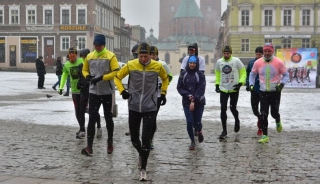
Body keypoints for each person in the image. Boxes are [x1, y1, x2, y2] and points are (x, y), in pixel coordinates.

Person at [114, 42, 169, 181]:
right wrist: (122, 91)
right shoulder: (131, 64)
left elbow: (165, 78)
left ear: (150, 55)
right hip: (134, 106)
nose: (143, 59)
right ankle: (141, 154)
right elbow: (117, 77)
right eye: (141, 56)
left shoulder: (157, 66)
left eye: (145, 56)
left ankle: (143, 168)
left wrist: (163, 93)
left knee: (146, 139)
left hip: (150, 106)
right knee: (134, 138)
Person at [81, 34, 120, 156]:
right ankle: (89, 146)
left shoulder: (110, 56)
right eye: (95, 45)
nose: (97, 47)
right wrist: (87, 76)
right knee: (92, 118)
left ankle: (110, 141)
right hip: (93, 92)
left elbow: (115, 71)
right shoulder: (90, 56)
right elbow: (84, 69)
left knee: (108, 117)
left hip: (107, 92)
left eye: (99, 45)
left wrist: (102, 78)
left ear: (104, 45)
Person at [249, 43, 289, 143]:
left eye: (269, 51)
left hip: (275, 92)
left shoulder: (279, 62)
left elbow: (286, 74)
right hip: (263, 92)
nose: (267, 53)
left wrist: (282, 84)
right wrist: (251, 84)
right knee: (263, 114)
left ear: (272, 51)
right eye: (265, 51)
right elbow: (252, 74)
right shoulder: (258, 62)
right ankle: (265, 135)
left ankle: (278, 119)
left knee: (274, 113)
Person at [215, 45, 246, 139]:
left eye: (228, 53)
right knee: (223, 109)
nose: (226, 55)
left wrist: (240, 83)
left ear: (231, 53)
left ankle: (237, 120)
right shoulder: (219, 62)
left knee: (233, 108)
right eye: (224, 53)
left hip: (234, 88)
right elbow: (217, 74)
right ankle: (224, 131)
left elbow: (243, 72)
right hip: (224, 89)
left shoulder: (236, 61)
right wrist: (217, 85)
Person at [177, 56, 205, 150]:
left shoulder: (200, 75)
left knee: (197, 122)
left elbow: (201, 89)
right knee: (189, 122)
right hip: (186, 101)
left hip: (199, 102)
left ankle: (199, 130)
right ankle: (192, 141)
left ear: (196, 64)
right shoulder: (183, 74)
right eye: (190, 63)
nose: (192, 65)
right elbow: (179, 87)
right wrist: (188, 95)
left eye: (194, 63)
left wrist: (194, 99)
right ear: (188, 63)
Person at [149, 45, 173, 149]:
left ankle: (150, 139)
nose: (152, 56)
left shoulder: (162, 64)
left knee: (152, 117)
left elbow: (169, 77)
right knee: (147, 117)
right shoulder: (146, 64)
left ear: (157, 55)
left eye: (154, 54)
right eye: (150, 54)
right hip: (147, 95)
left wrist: (163, 88)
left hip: (158, 95)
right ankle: (147, 136)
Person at [58, 48, 84, 138]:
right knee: (77, 111)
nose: (72, 58)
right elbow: (64, 76)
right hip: (74, 90)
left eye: (73, 56)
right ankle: (82, 128)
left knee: (85, 110)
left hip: (84, 90)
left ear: (76, 55)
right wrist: (61, 87)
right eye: (70, 56)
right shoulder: (67, 65)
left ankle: (97, 121)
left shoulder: (82, 61)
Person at [77, 49, 102, 138]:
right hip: (83, 90)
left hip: (92, 90)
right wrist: (79, 83)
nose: (84, 58)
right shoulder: (80, 66)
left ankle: (98, 127)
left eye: (85, 56)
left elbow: (95, 77)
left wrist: (89, 82)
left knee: (93, 111)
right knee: (81, 110)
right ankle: (82, 129)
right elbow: (81, 76)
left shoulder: (93, 65)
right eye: (82, 56)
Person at [246, 46, 263, 136]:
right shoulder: (251, 63)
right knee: (255, 109)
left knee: (263, 110)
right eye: (257, 54)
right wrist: (248, 85)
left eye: (260, 54)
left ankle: (261, 127)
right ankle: (259, 117)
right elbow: (248, 74)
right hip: (254, 90)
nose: (258, 56)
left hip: (264, 90)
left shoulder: (266, 63)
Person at [125, 43, 140, 136]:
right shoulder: (130, 63)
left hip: (144, 90)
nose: (136, 56)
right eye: (134, 54)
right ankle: (132, 129)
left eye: (137, 54)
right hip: (132, 89)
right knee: (131, 111)